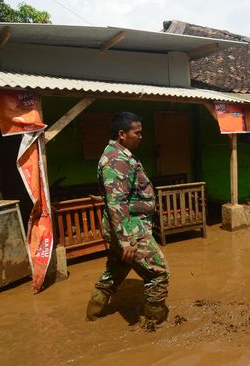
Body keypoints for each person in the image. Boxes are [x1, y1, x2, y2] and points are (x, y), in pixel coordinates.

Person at [86, 111, 170, 330]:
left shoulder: (119, 155)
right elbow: (116, 202)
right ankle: (155, 323)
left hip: (124, 227)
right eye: (137, 133)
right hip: (130, 228)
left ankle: (92, 317)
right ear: (122, 134)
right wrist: (127, 240)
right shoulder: (117, 160)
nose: (141, 136)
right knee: (158, 272)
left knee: (114, 272)